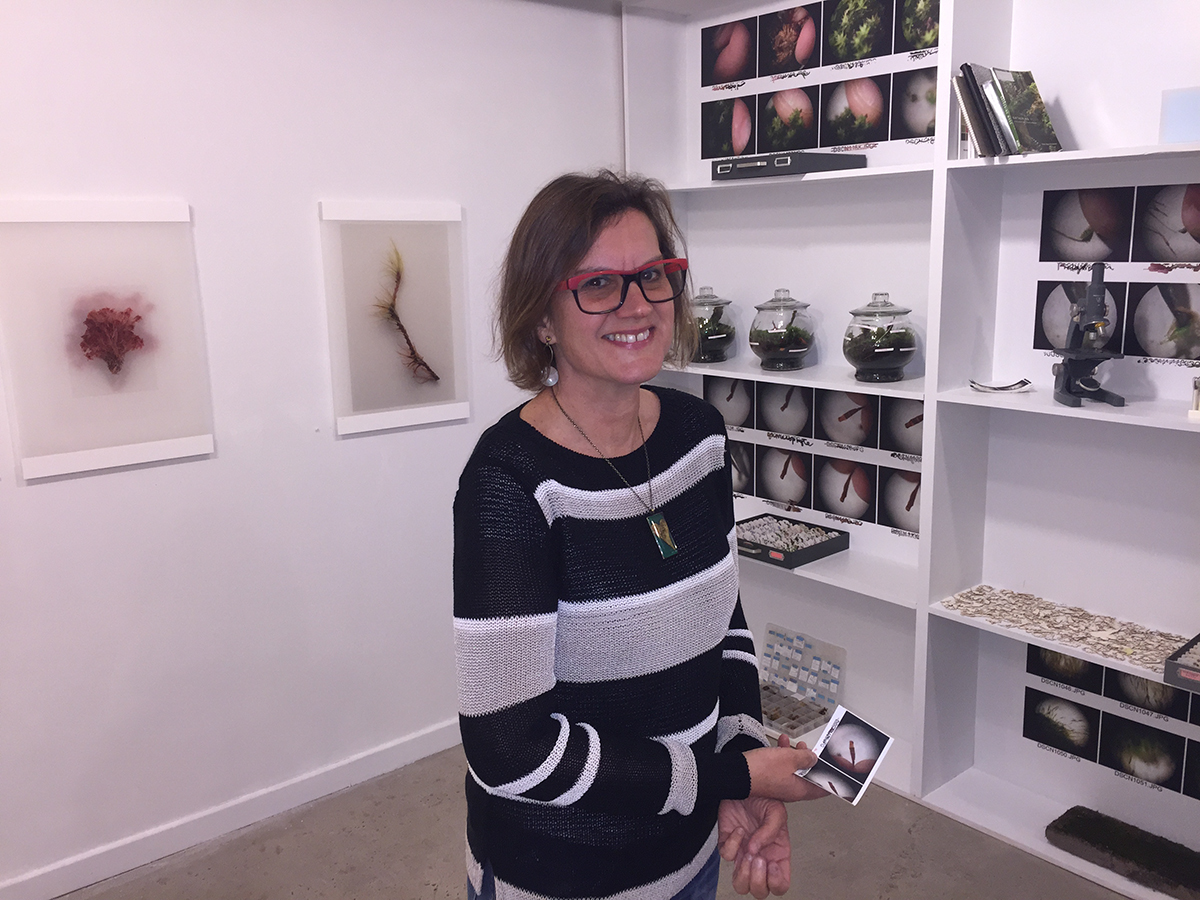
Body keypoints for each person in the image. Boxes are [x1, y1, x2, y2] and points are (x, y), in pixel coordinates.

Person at [453, 170, 825, 900]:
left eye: (654, 276)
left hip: (692, 858)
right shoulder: (510, 485)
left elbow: (723, 623)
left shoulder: (699, 434)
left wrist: (743, 757)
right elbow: (509, 751)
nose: (637, 304)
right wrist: (731, 776)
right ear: (542, 318)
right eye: (597, 284)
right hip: (559, 877)